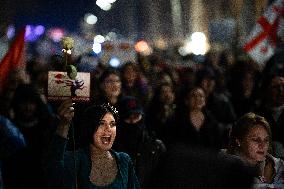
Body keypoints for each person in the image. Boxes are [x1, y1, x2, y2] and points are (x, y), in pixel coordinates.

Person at [44, 99, 141, 189]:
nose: (108, 129)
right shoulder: (73, 159)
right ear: (90, 128)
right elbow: (53, 173)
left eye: (112, 124)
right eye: (101, 123)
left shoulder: (124, 160)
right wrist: (64, 124)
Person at [113, 96, 166, 188]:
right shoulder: (110, 146)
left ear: (142, 117)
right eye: (128, 117)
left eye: (136, 117)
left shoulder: (156, 146)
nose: (133, 121)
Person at [226, 112, 284, 188]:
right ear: (239, 141)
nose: (262, 146)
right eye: (256, 140)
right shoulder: (225, 169)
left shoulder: (280, 165)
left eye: (266, 140)